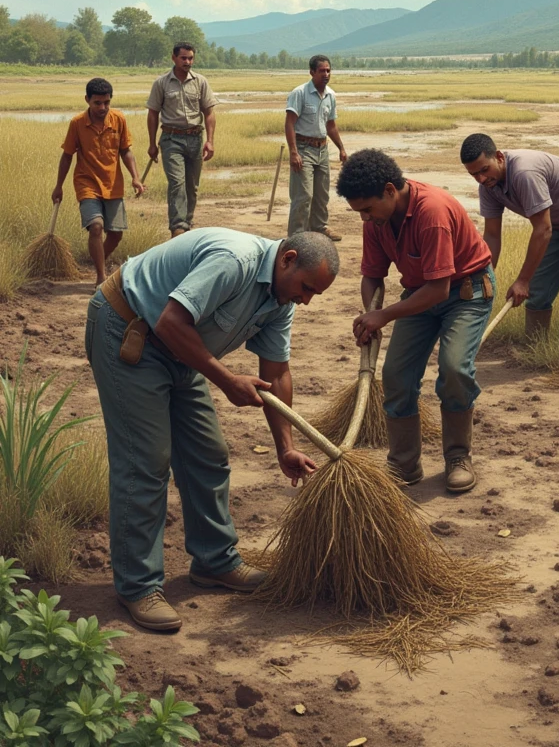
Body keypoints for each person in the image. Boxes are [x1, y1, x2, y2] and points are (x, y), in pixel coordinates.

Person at [85, 228, 339, 632]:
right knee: (145, 461)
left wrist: (285, 447)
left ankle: (215, 562)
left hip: (180, 347)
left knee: (208, 454)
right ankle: (138, 587)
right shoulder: (235, 260)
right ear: (287, 259)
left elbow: (277, 373)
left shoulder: (280, 299)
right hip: (129, 328)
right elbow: (171, 321)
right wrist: (226, 380)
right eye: (306, 288)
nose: (306, 300)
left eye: (314, 295)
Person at [337, 149, 494, 494]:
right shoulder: (377, 221)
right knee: (396, 375)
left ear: (391, 190)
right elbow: (373, 276)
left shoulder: (431, 212)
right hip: (419, 294)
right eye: (358, 211)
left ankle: (457, 457)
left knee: (454, 370)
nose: (363, 218)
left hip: (466, 293)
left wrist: (384, 315)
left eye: (367, 209)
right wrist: (370, 315)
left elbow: (439, 290)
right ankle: (404, 464)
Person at [460, 134, 559, 341]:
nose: (481, 178)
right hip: (554, 223)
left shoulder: (524, 173)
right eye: (474, 175)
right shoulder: (488, 186)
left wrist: (522, 280)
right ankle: (534, 350)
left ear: (498, 157)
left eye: (484, 170)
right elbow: (492, 236)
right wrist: (485, 275)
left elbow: (542, 229)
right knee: (537, 291)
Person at [52, 77, 144, 287]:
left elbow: (125, 151)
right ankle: (101, 277)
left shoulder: (119, 119)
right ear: (87, 100)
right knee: (96, 227)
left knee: (116, 234)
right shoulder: (77, 123)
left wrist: (136, 178)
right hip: (87, 183)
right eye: (97, 103)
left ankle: (97, 257)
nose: (102, 107)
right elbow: (67, 156)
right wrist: (58, 186)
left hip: (113, 184)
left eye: (106, 102)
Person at [147, 43, 217, 237]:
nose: (187, 62)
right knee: (177, 183)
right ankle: (178, 229)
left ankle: (187, 224)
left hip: (195, 138)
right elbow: (153, 114)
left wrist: (209, 141)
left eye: (190, 58)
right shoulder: (161, 83)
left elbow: (209, 113)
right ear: (174, 58)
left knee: (191, 187)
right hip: (171, 139)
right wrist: (152, 144)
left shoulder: (201, 82)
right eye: (183, 58)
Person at [285, 54, 347, 241]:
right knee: (303, 195)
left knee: (322, 194)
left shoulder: (330, 95)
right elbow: (289, 124)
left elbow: (331, 126)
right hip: (303, 149)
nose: (326, 74)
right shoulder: (300, 93)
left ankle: (319, 228)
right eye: (322, 71)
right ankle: (297, 235)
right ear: (312, 72)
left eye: (328, 70)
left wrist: (341, 149)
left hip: (322, 150)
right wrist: (293, 152)